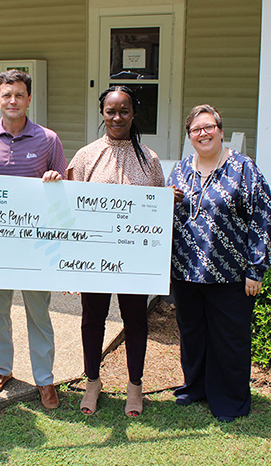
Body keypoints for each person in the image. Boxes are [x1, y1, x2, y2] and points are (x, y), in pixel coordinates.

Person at [168, 104, 271, 423]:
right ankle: (196, 387)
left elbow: (262, 218)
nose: (204, 133)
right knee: (193, 334)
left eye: (209, 126)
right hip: (186, 272)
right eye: (197, 129)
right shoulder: (181, 169)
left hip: (230, 273)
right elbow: (168, 216)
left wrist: (256, 269)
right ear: (189, 136)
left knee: (230, 338)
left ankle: (230, 399)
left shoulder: (244, 168)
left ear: (220, 129)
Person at [0, 69, 67, 409]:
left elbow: (62, 196)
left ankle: (45, 380)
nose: (13, 100)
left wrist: (54, 178)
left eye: (19, 94)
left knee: (38, 313)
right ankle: (2, 368)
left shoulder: (48, 139)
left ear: (28, 98)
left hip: (37, 246)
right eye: (6, 95)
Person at [66, 86, 165, 417]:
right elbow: (69, 208)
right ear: (102, 113)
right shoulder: (85, 156)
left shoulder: (149, 159)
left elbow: (158, 210)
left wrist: (169, 203)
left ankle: (134, 387)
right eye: (111, 111)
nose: (117, 117)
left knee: (135, 320)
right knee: (92, 320)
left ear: (133, 113)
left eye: (124, 110)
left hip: (134, 258)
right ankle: (92, 381)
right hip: (94, 256)